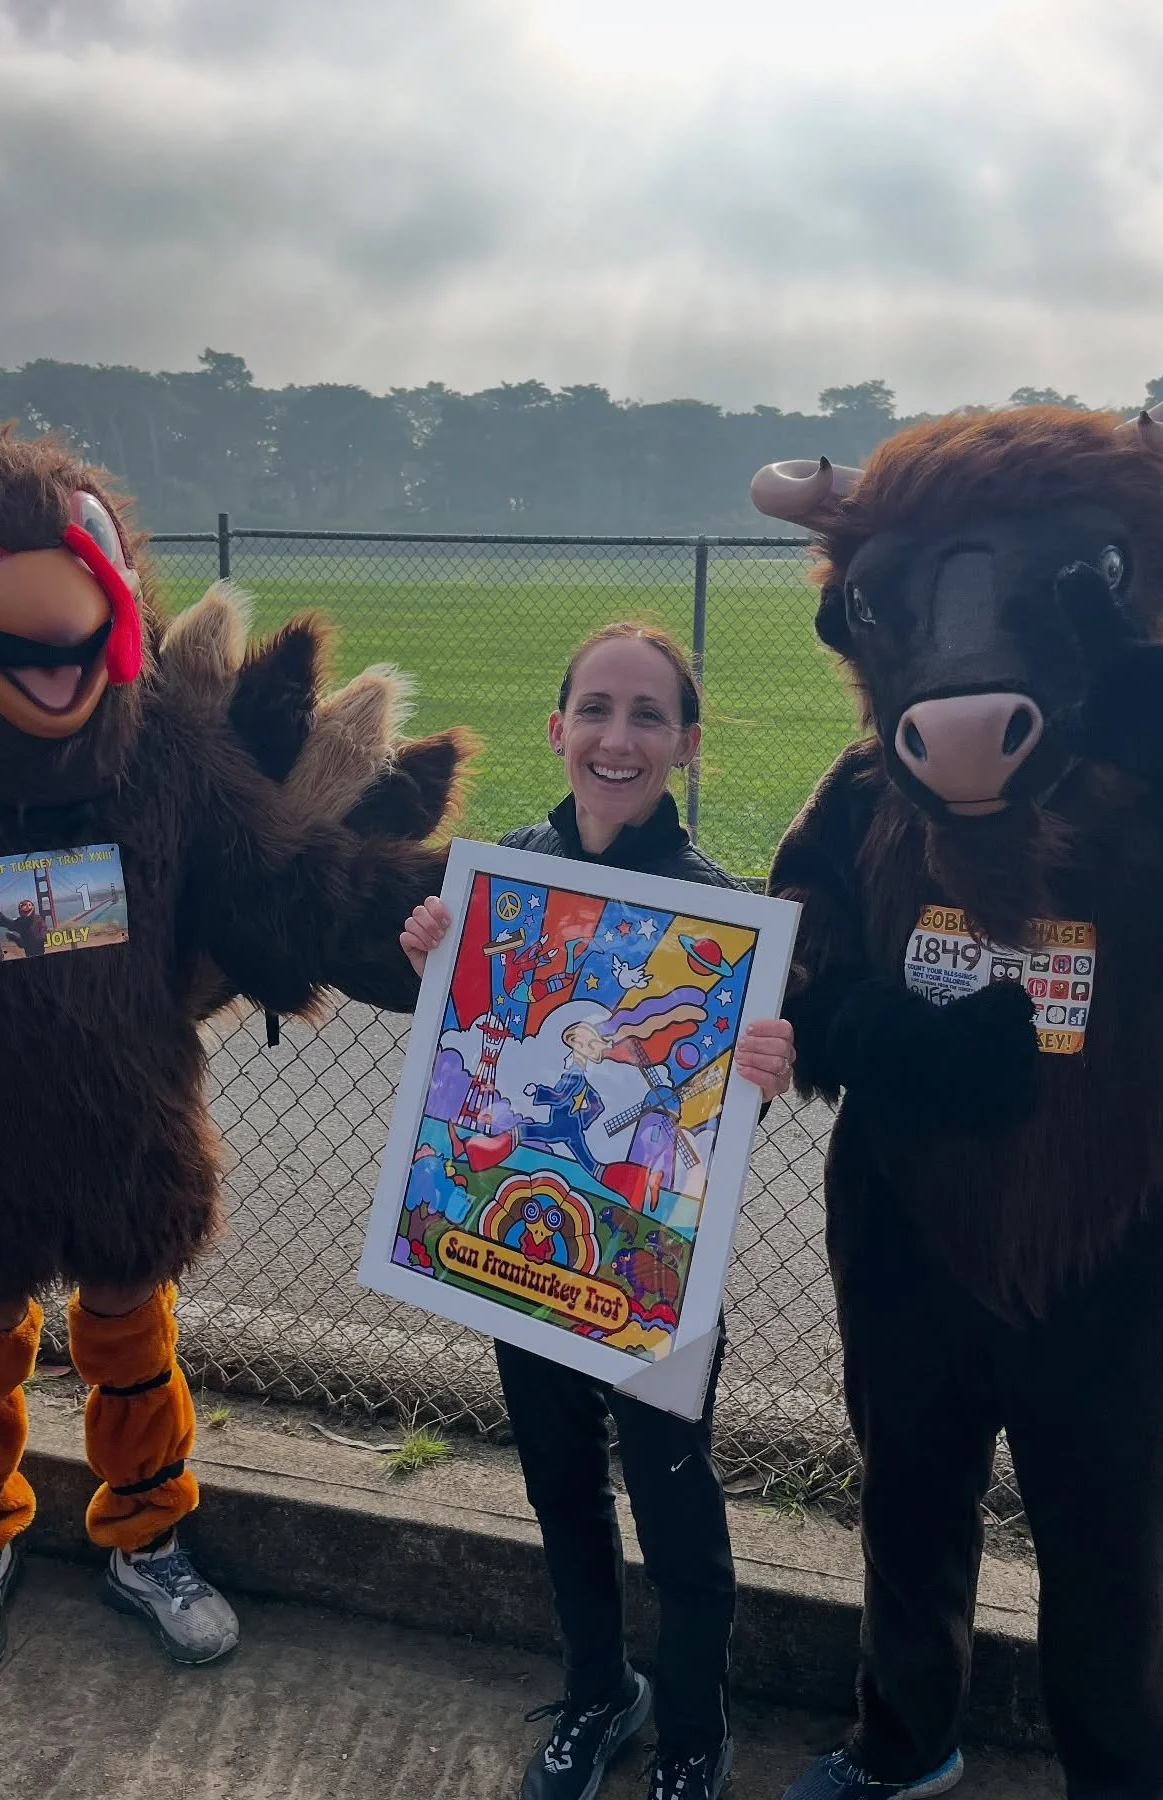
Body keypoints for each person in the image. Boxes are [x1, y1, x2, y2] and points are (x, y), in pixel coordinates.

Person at [401, 622, 795, 1800]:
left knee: (676, 1520)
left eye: (646, 716)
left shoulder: (717, 916)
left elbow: (706, 1146)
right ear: (558, 726)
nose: (617, 738)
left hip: (649, 1275)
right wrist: (437, 958)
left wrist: (755, 1071)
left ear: (682, 743)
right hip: (517, 1254)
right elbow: (468, 1059)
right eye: (597, 710)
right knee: (561, 1490)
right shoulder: (508, 874)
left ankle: (688, 1734)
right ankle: (595, 1695)